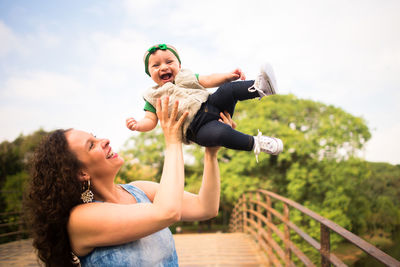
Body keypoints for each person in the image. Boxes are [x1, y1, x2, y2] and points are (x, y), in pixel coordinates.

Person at [24, 98, 230, 267]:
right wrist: (173, 140)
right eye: (91, 145)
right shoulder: (81, 219)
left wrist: (210, 155)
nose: (104, 140)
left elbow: (206, 208)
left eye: (95, 137)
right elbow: (167, 212)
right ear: (81, 173)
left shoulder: (140, 190)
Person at [126, 43, 283, 162]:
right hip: (198, 128)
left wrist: (228, 76)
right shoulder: (152, 96)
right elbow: (150, 120)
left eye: (169, 62)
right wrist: (139, 125)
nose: (164, 67)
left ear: (179, 65)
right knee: (222, 134)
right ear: (149, 73)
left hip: (213, 104)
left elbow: (208, 79)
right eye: (156, 65)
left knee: (228, 90)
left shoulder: (186, 76)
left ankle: (260, 87)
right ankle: (257, 143)